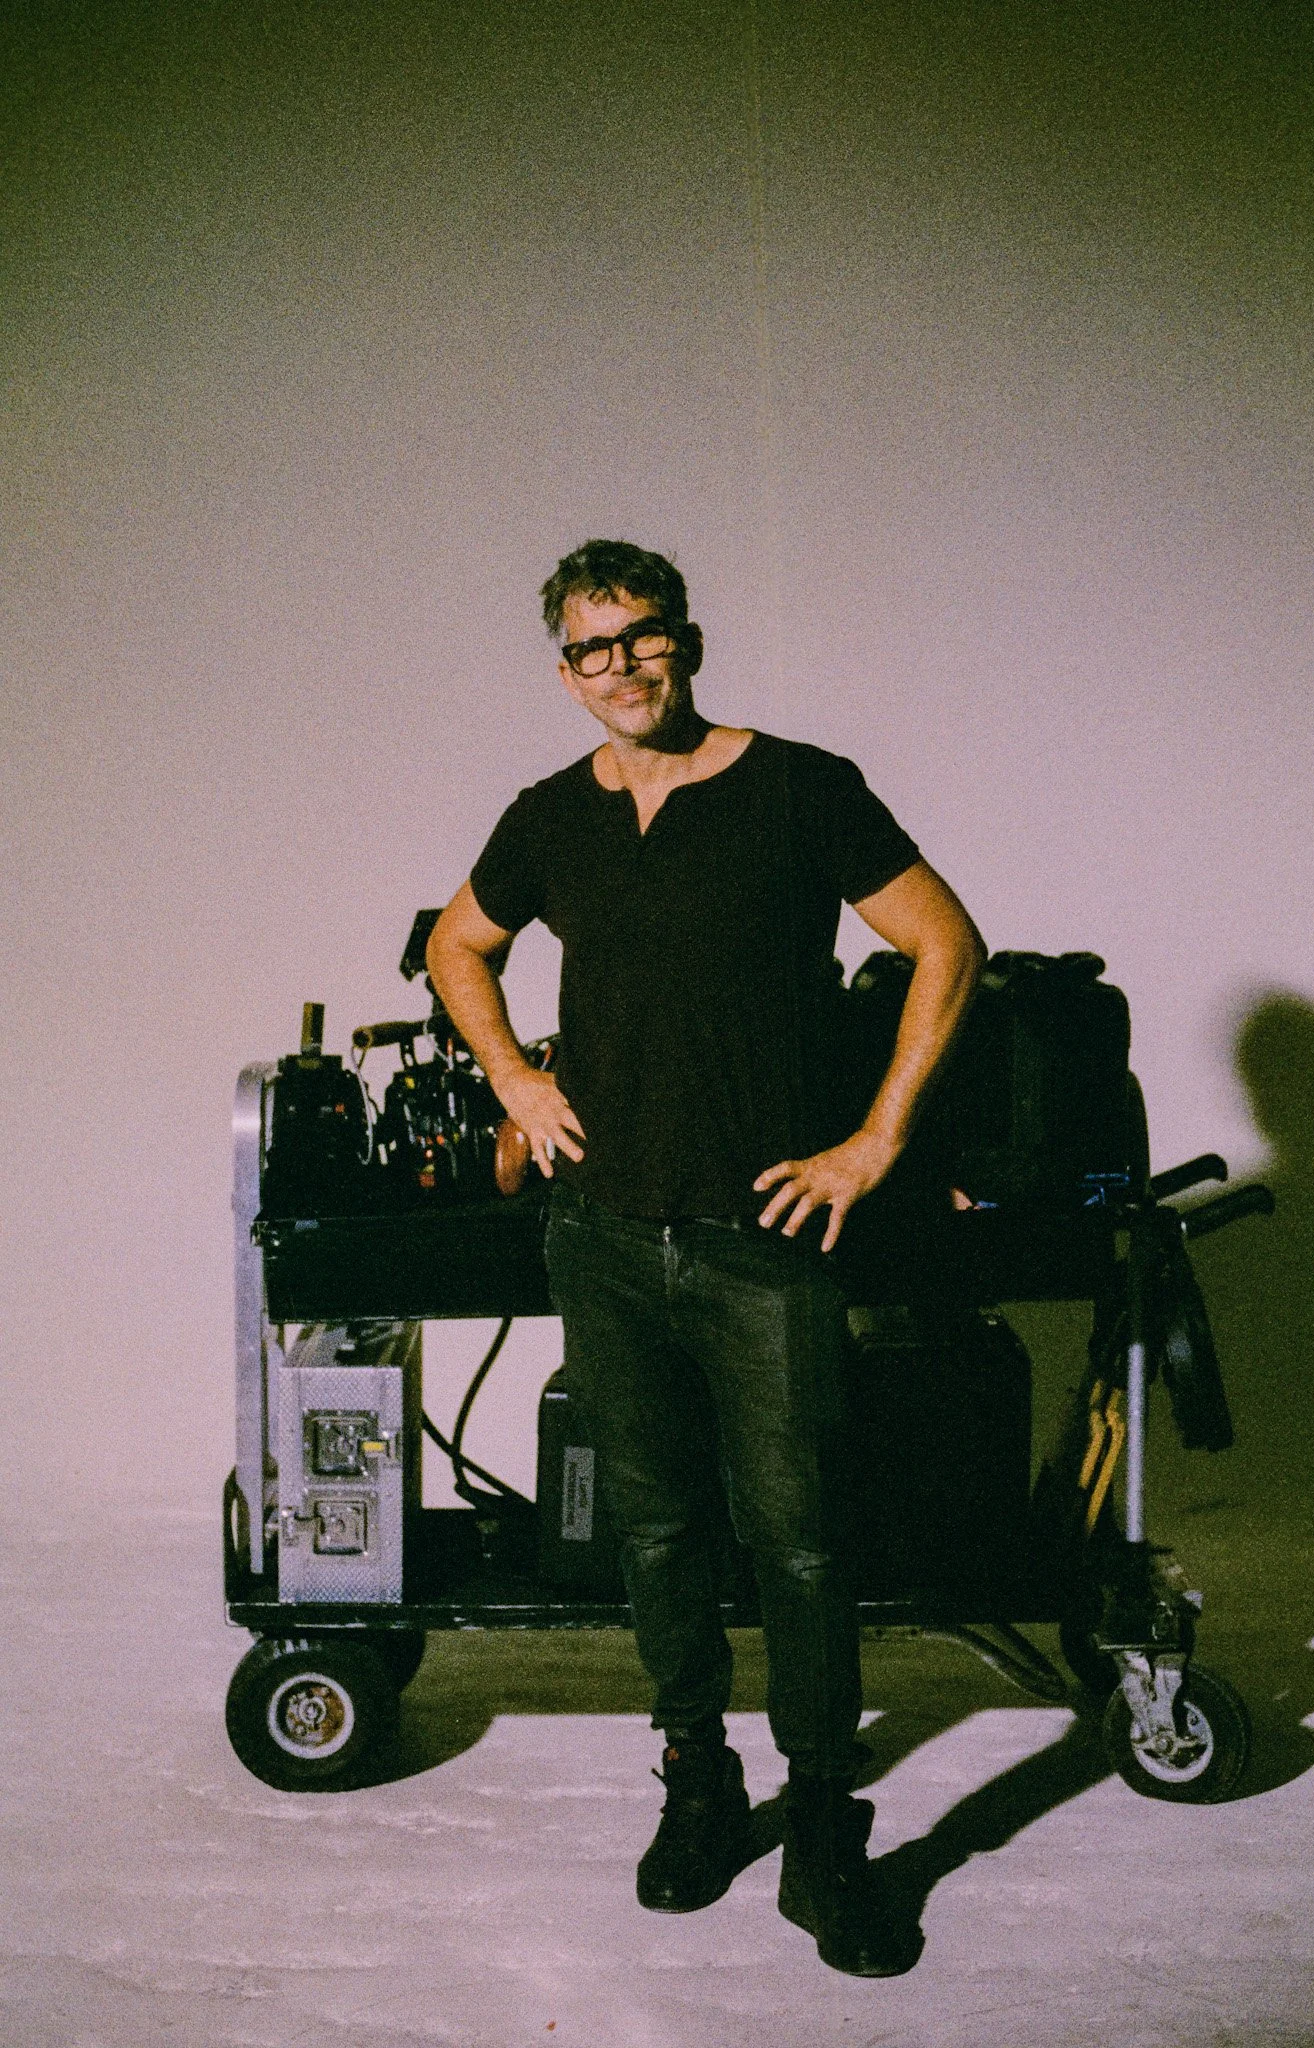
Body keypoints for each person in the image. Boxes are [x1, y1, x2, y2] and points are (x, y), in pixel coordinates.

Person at [426, 539, 984, 1975]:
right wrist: (515, 1086)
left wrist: (871, 1145)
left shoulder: (801, 786)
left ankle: (819, 1826)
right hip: (602, 1231)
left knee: (801, 1544)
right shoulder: (549, 816)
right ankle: (695, 1780)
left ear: (687, 639)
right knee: (659, 1534)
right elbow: (454, 947)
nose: (618, 668)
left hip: (759, 1241)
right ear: (562, 668)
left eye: (642, 637)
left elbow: (944, 943)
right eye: (588, 649)